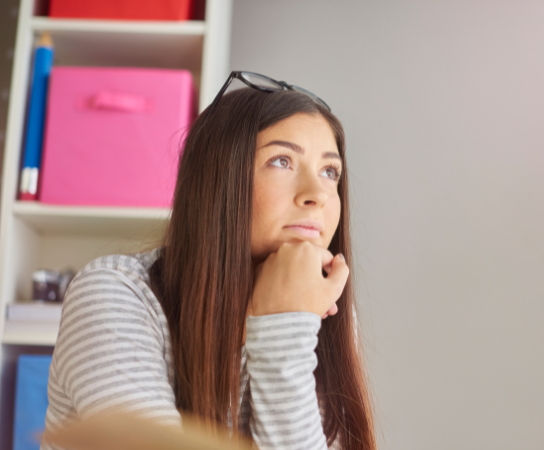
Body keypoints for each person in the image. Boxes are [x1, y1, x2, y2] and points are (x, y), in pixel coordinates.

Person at [41, 72, 376, 450]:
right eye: (281, 161)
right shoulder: (113, 294)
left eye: (330, 172)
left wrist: (288, 328)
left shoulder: (320, 308)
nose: (317, 194)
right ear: (219, 180)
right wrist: (285, 331)